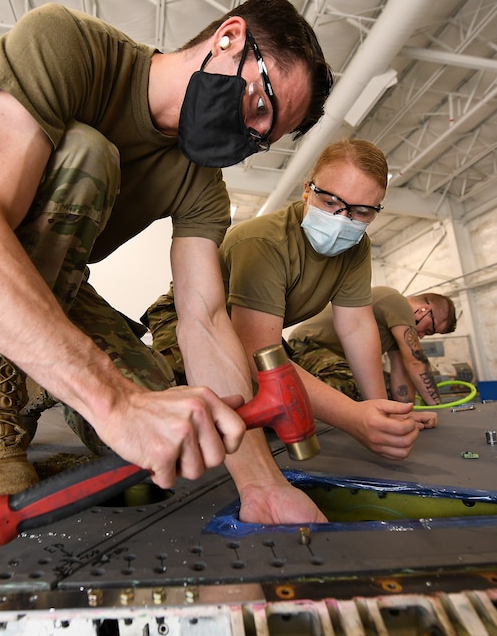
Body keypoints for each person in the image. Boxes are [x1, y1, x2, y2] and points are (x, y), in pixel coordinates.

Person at [0, 0, 333, 533]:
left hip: (54, 289)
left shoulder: (203, 188)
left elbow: (205, 321)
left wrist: (261, 485)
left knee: (164, 429)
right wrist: (114, 403)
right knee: (88, 152)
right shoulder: (68, 45)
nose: (248, 138)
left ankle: (54, 404)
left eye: (264, 138)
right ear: (230, 38)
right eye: (259, 107)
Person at [143, 139, 437, 499]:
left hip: (251, 332)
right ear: (306, 191)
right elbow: (255, 350)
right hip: (189, 317)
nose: (342, 219)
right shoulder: (264, 241)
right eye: (330, 202)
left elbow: (357, 327)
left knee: (303, 400)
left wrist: (379, 413)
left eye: (361, 212)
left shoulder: (356, 249)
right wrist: (352, 419)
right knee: (180, 408)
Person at [288, 289, 458, 406]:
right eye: (428, 330)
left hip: (334, 358)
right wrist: (439, 408)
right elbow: (416, 362)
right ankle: (287, 402)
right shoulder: (397, 302)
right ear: (423, 310)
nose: (421, 336)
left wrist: (406, 413)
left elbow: (400, 375)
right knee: (351, 385)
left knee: (384, 390)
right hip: (308, 346)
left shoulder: (395, 329)